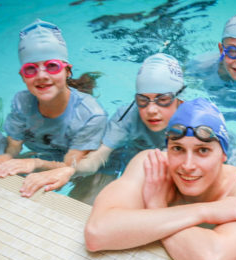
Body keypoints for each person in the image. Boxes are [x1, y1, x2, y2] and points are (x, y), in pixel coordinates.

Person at [85, 98, 236, 260]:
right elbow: (97, 233)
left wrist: (156, 207)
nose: (188, 165)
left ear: (223, 154)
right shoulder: (153, 165)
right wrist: (205, 211)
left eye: (203, 150)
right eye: (178, 149)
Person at [18, 53, 185, 200]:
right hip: (129, 171)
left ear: (179, 98)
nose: (151, 110)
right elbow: (96, 159)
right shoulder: (127, 116)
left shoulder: (196, 122)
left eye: (163, 100)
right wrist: (67, 171)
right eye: (142, 100)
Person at [0, 19, 108, 187]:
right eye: (30, 69)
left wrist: (35, 163)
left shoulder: (91, 115)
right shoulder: (22, 102)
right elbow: (12, 149)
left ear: (67, 70)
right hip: (46, 156)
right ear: (22, 76)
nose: (41, 75)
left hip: (86, 170)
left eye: (52, 66)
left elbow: (71, 167)